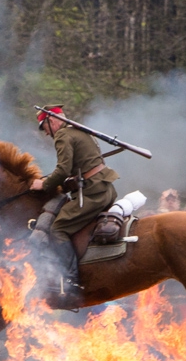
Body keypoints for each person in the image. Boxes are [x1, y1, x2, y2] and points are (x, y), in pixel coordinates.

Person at [28, 106, 119, 308]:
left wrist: (43, 184)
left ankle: (70, 280)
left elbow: (62, 170)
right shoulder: (79, 131)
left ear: (51, 121)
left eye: (44, 127)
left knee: (57, 229)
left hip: (93, 194)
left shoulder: (63, 135)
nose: (46, 133)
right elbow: (80, 167)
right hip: (105, 189)